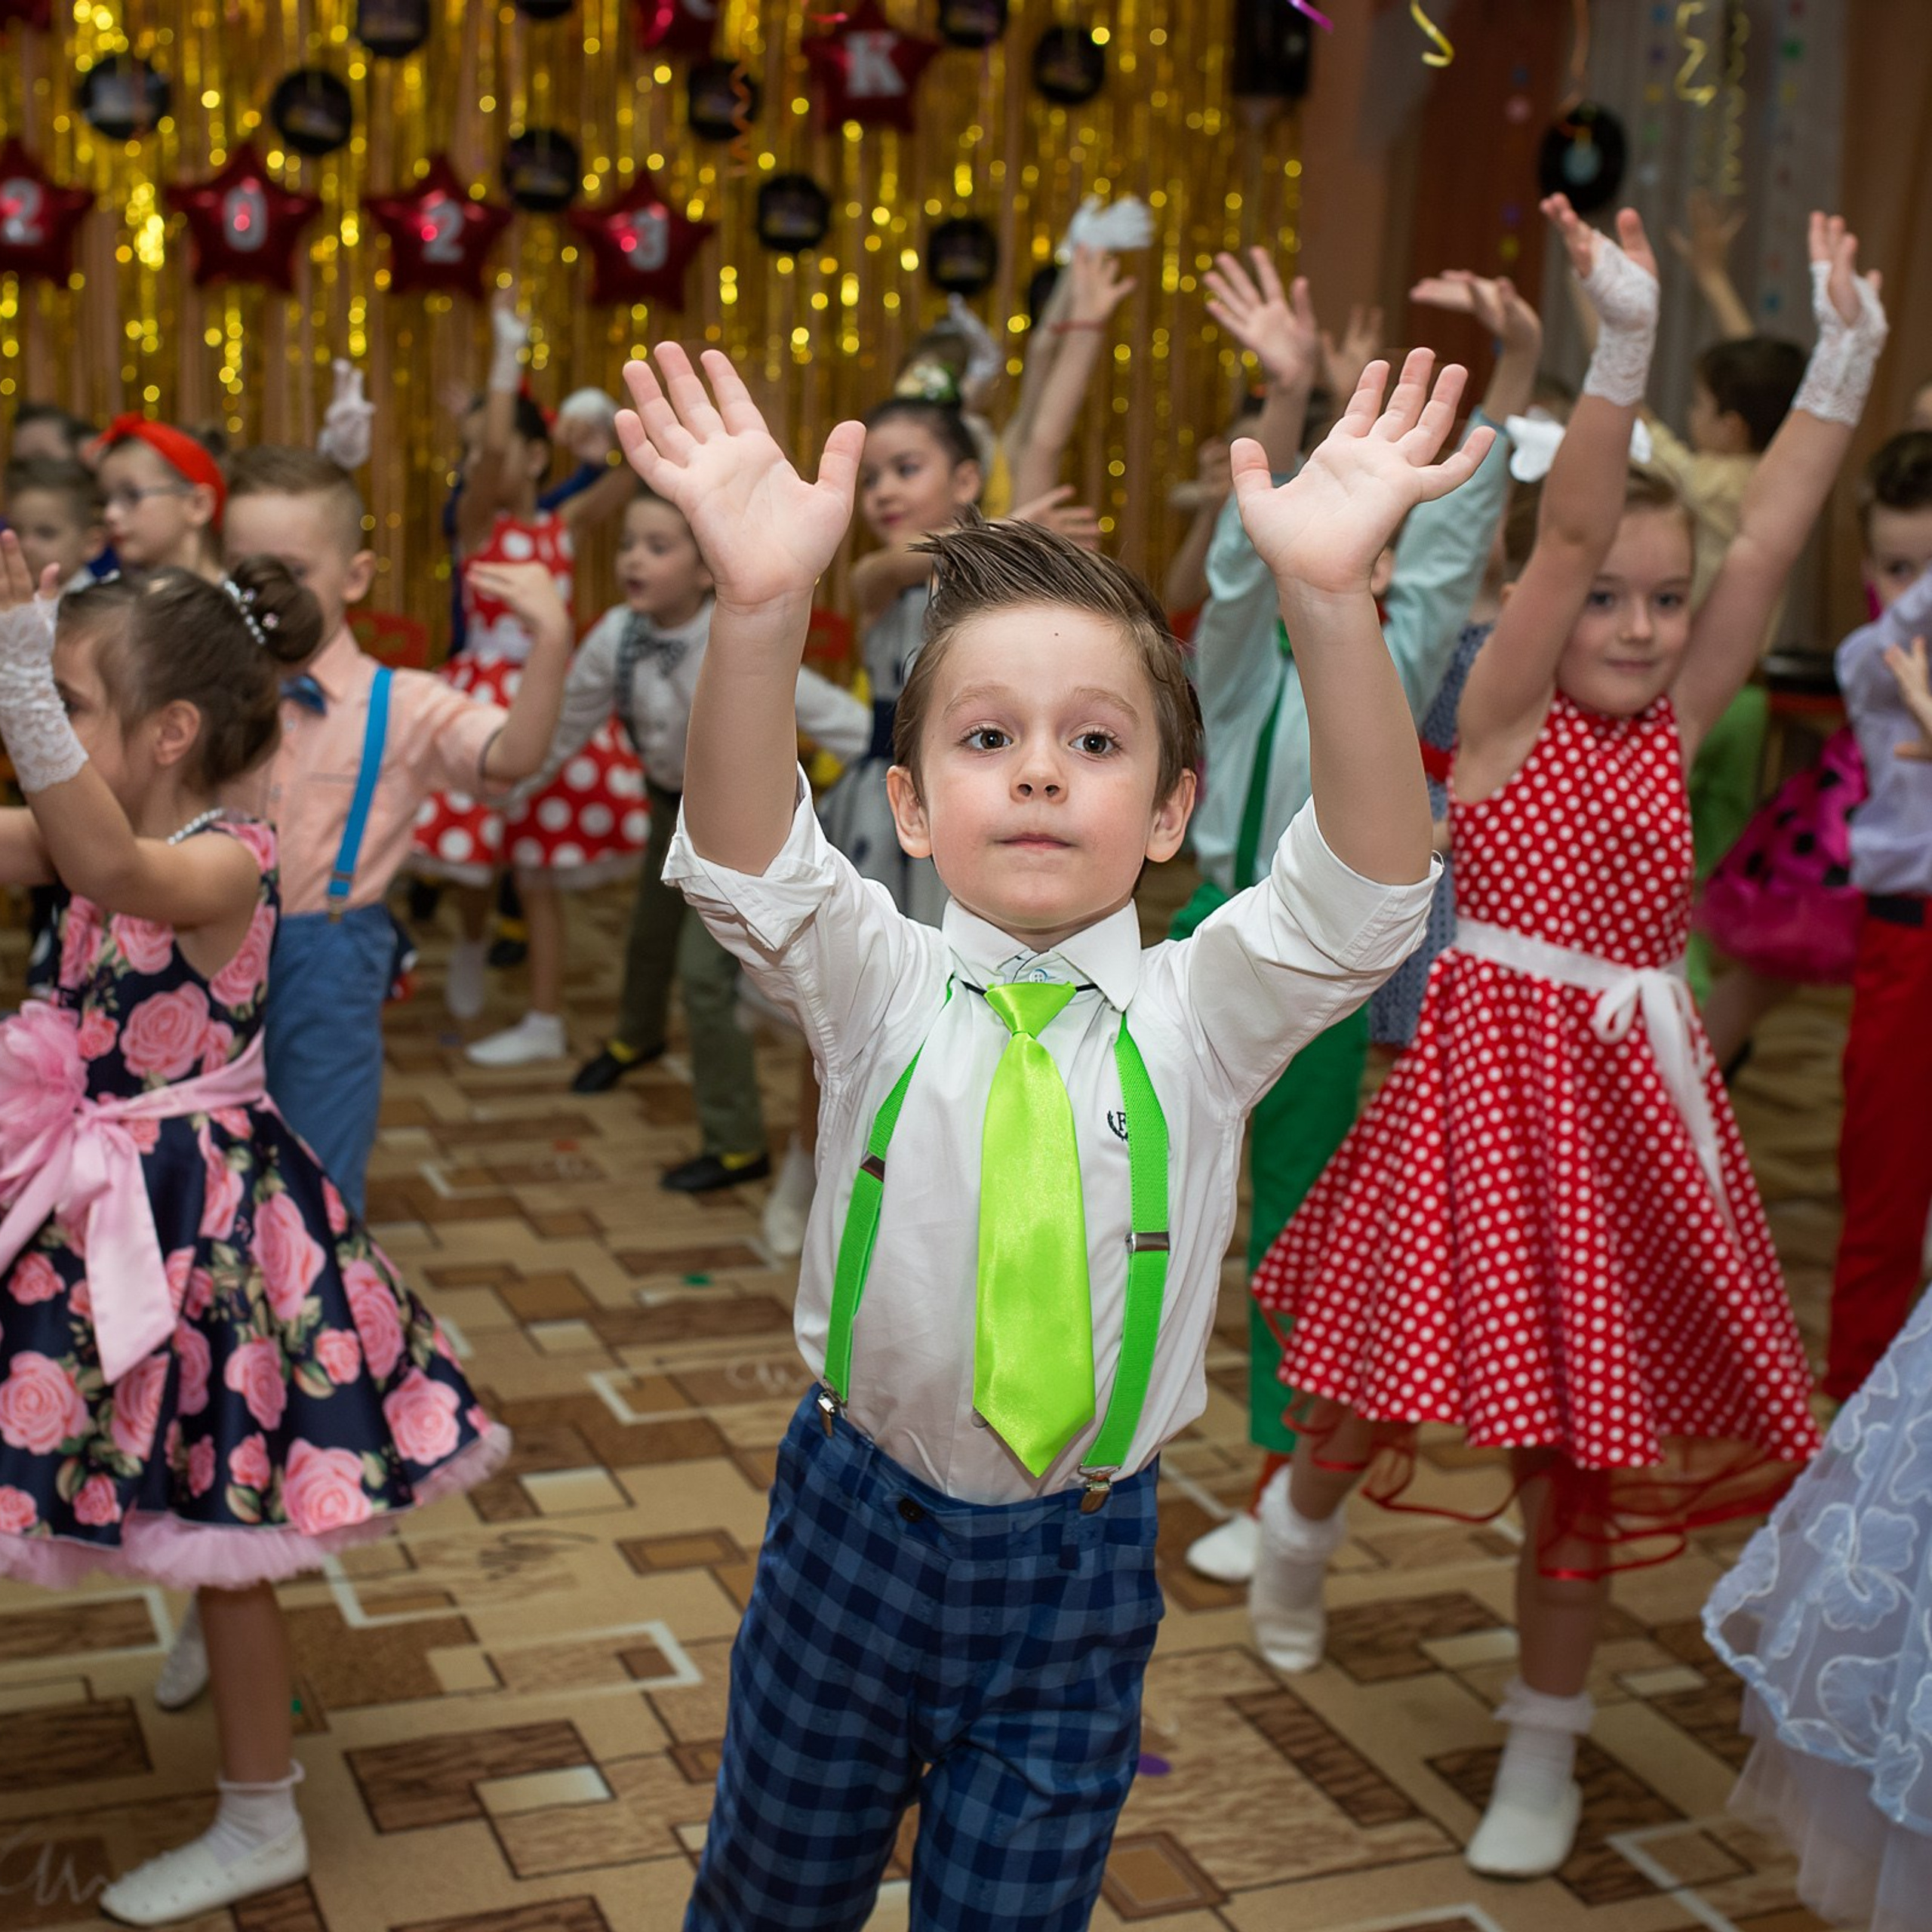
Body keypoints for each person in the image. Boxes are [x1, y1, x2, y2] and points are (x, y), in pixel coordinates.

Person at [614, 329, 1478, 1930]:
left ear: (1164, 809)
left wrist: (1332, 609)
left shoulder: (1199, 1006)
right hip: (847, 1532)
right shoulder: (878, 978)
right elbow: (745, 851)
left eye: (1092, 740)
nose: (1035, 773)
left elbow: (1367, 887)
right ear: (917, 802)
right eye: (985, 736)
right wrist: (755, 614)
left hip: (1079, 1570)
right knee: (767, 1893)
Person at [1247, 202, 1885, 1881]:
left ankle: (1543, 1740)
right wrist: (1611, 350)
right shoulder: (1507, 714)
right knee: (1369, 1365)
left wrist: (1844, 360)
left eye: (1656, 605)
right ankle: (1296, 1523)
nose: (1636, 623)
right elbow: (1565, 530)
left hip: (1621, 1118)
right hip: (1472, 1088)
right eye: (1605, 596)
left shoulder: (1682, 715)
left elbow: (1763, 548)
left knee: (1576, 1440)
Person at [0, 537, 508, 1924]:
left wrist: (10, 671)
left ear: (167, 733)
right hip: (100, 1193)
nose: (39, 729)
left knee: (232, 1519)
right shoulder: (85, 828)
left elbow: (103, 855)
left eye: (64, 705)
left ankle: (260, 1817)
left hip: (206, 1229)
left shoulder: (228, 860)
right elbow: (50, 837)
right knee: (148, 1457)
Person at [1174, 248, 1533, 1586]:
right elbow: (1232, 551)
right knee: (1155, 1200)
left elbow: (1446, 541)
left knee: (1296, 1222)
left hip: (1318, 955)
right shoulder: (1230, 644)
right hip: (1212, 925)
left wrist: (1525, 375)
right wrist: (1280, 395)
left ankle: (1277, 1484)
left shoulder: (1397, 641)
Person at [218, 447, 574, 1212]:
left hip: (330, 957)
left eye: (292, 570)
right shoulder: (204, 694)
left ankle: (319, 1318)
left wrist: (550, 638)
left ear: (352, 577)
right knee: (209, 1170)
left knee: (317, 1171)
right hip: (209, 948)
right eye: (242, 572)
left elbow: (511, 756)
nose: (264, 596)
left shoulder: (403, 700)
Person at [529, 484, 868, 1195]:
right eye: (628, 544)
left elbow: (834, 714)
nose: (634, 560)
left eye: (658, 547)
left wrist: (882, 769)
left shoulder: (736, 639)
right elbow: (566, 727)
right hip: (666, 803)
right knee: (647, 935)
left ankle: (737, 1138)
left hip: (739, 829)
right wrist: (509, 783)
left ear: (707, 568)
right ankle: (636, 1035)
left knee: (706, 979)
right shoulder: (617, 634)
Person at [411, 291, 646, 1062]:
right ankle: (474, 937)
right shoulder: (476, 519)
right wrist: (507, 354)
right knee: (479, 848)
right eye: (484, 448)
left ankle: (545, 1019)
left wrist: (611, 427)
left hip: (549, 695)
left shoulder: (561, 524)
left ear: (540, 458)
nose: (495, 459)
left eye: (511, 447)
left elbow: (632, 479)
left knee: (539, 867)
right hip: (479, 694)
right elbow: (488, 461)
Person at [1696, 429, 1932, 1069]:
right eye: (1898, 570)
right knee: (1761, 979)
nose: (1914, 595)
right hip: (1848, 827)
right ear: (1869, 569)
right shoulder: (1873, 652)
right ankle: (1674, 1103)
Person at [1823, 547, 1932, 1401]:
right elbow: (1882, 649)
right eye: (1898, 566)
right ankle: (1856, 1424)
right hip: (1909, 942)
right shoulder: (1873, 661)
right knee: (1882, 1189)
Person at [94, 415, 227, 579]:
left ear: (197, 505)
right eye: (104, 499)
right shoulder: (104, 600)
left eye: (132, 495)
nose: (110, 514)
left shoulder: (238, 602)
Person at [2, 456, 106, 593]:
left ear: (92, 543)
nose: (25, 546)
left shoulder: (101, 608)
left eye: (46, 533)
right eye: (16, 531)